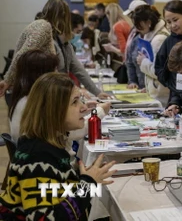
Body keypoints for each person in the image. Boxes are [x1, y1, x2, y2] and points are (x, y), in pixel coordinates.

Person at [0, 72, 116, 220]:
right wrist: (87, 184)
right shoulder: (38, 156)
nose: (83, 107)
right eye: (75, 102)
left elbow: (55, 190)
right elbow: (45, 218)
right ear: (53, 110)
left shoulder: (49, 143)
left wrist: (85, 178)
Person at [9, 50, 59, 142]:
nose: (58, 74)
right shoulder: (34, 105)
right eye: (54, 70)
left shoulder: (23, 99)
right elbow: (63, 132)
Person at [0, 19, 56, 98]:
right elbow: (22, 56)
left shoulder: (41, 27)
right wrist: (8, 80)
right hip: (34, 89)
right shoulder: (44, 27)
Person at [128, 4, 170, 105]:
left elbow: (159, 71)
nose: (137, 29)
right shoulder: (152, 36)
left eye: (139, 25)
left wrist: (143, 62)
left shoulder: (159, 39)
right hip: (156, 92)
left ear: (148, 22)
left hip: (161, 95)